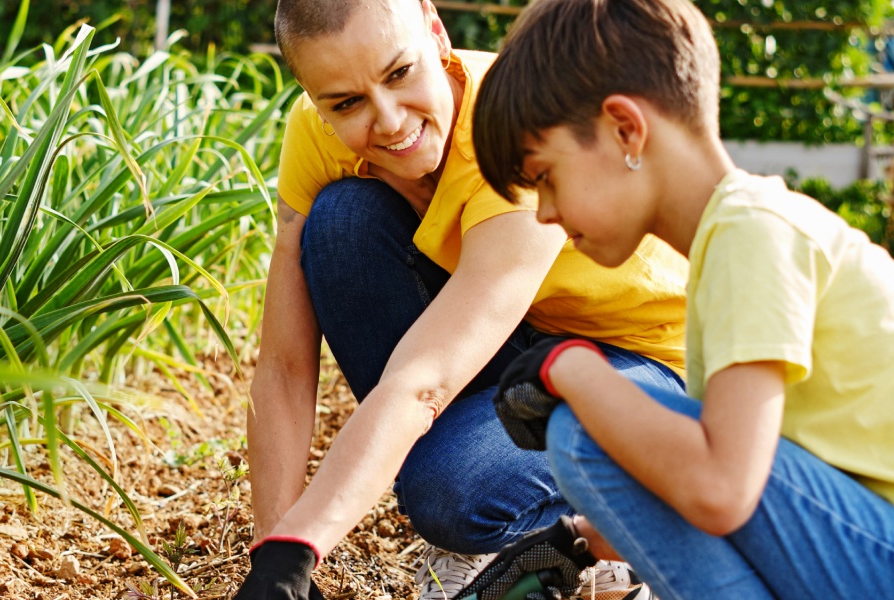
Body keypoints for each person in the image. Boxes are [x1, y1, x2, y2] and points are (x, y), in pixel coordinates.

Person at [237, 0, 690, 598]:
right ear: (313, 98)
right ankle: (508, 525)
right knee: (341, 223)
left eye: (400, 74)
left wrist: (299, 546)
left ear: (435, 29)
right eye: (346, 103)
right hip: (525, 341)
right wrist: (273, 559)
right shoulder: (314, 136)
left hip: (649, 365)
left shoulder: (520, 134)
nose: (391, 121)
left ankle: (628, 528)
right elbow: (284, 365)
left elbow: (425, 380)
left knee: (453, 490)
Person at [461, 0, 894, 598]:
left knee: (585, 433)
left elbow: (721, 490)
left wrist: (573, 369)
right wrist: (582, 540)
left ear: (625, 130)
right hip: (864, 541)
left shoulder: (752, 231)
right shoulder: (737, 239)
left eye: (545, 176)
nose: (546, 212)